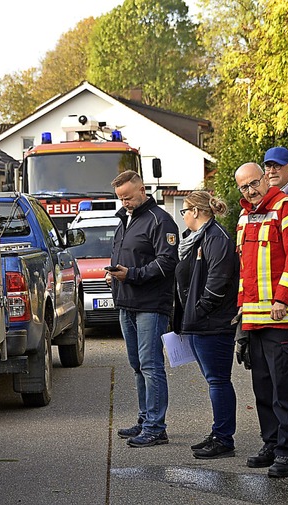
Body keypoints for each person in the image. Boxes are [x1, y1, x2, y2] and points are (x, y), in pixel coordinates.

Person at [234, 162, 288, 478]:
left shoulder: (285, 206)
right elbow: (245, 271)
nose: (250, 191)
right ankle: (272, 443)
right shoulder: (244, 216)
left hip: (284, 318)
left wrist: (283, 298)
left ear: (265, 178)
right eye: (244, 187)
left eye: (254, 183)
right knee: (263, 389)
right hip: (254, 319)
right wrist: (240, 310)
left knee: (284, 390)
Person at [108, 170, 179, 448]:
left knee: (151, 365)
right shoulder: (124, 221)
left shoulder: (160, 221)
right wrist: (114, 273)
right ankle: (144, 418)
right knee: (137, 365)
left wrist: (133, 275)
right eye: (120, 198)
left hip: (151, 304)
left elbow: (167, 261)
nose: (124, 202)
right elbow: (122, 255)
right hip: (126, 302)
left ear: (142, 190)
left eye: (127, 197)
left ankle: (156, 427)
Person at [173, 191, 239, 459]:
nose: (184, 216)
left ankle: (224, 438)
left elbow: (218, 279)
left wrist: (200, 309)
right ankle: (218, 432)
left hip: (212, 323)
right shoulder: (198, 238)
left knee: (218, 381)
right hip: (200, 322)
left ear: (197, 212)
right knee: (214, 381)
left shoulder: (215, 238)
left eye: (185, 211)